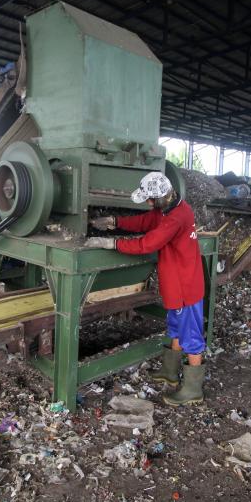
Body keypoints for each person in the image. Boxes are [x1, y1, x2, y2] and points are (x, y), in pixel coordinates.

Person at [85, 172, 205, 406]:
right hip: (176, 282)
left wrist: (113, 243)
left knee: (190, 335)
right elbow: (146, 222)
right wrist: (115, 222)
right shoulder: (170, 208)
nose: (148, 203)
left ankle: (193, 389)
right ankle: (170, 373)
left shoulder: (176, 218)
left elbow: (147, 243)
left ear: (160, 197)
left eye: (150, 199)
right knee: (176, 329)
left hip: (185, 287)